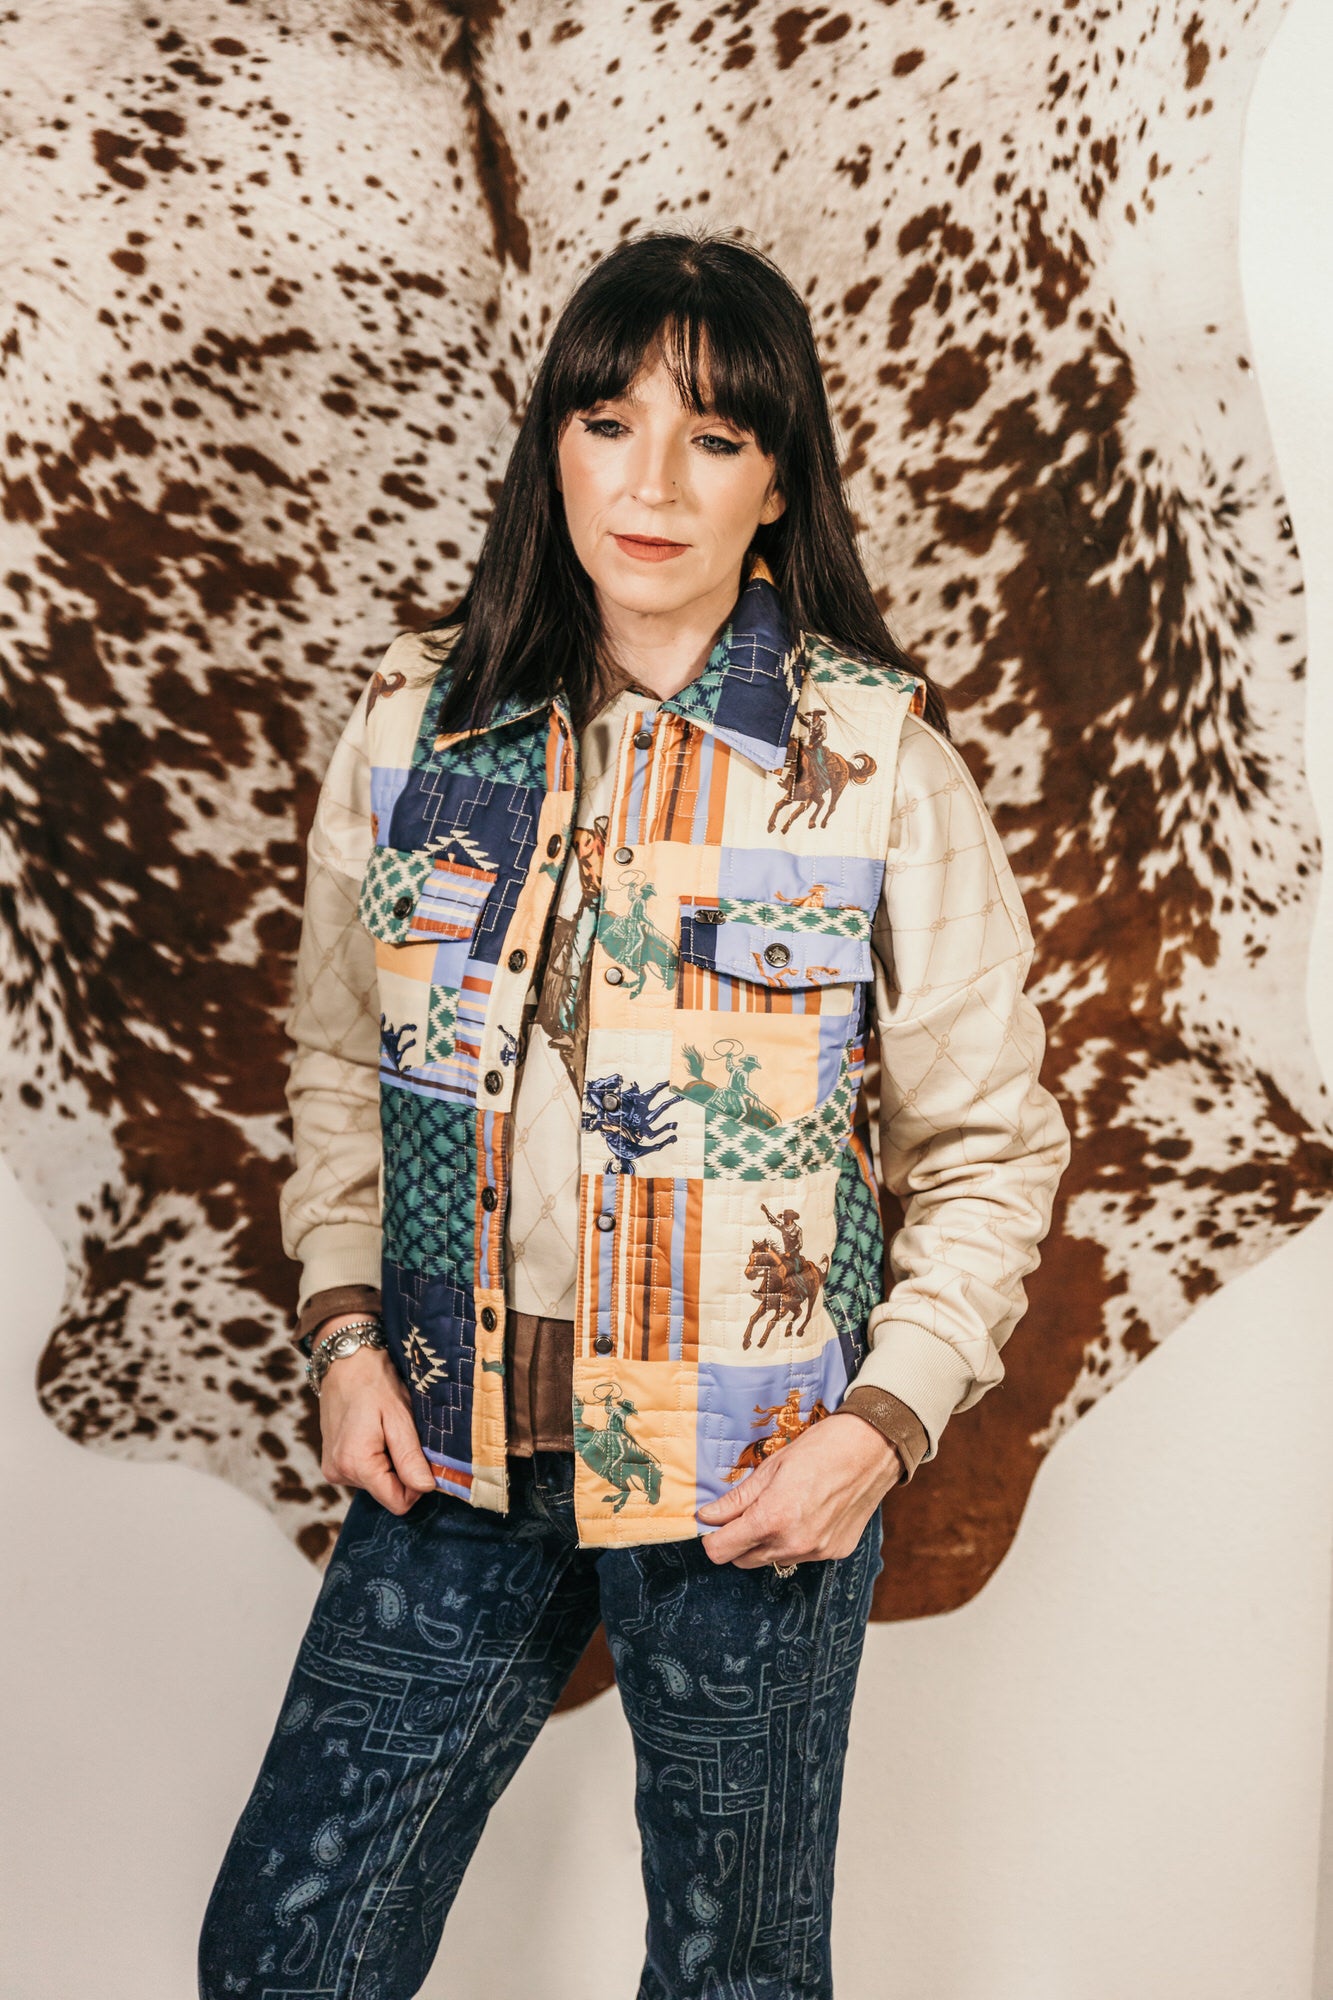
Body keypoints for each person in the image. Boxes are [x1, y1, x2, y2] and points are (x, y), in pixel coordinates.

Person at [198, 227, 1070, 2000]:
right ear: (554, 448)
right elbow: (338, 1066)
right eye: (608, 423)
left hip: (751, 1470)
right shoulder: (415, 732)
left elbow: (990, 1143)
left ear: (777, 484)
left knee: (734, 1974)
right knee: (286, 1960)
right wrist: (345, 1333)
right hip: (449, 1437)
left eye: (713, 437)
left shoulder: (875, 767)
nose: (650, 481)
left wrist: (877, 1427)